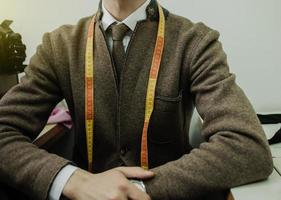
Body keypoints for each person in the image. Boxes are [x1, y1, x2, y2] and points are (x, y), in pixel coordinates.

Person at [0, 0, 273, 199]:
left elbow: (247, 147)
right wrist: (70, 180)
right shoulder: (58, 46)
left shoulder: (195, 42)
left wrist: (137, 190)